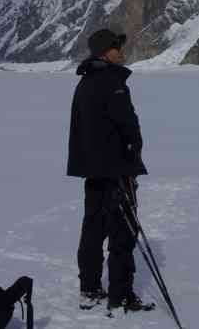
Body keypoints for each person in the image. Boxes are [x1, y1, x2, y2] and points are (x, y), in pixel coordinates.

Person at [67, 28, 155, 313]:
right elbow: (127, 125)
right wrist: (133, 152)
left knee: (93, 228)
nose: (121, 51)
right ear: (106, 51)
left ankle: (89, 289)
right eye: (117, 47)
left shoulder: (85, 82)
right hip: (117, 169)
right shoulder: (112, 82)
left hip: (94, 170)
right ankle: (121, 294)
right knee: (123, 232)